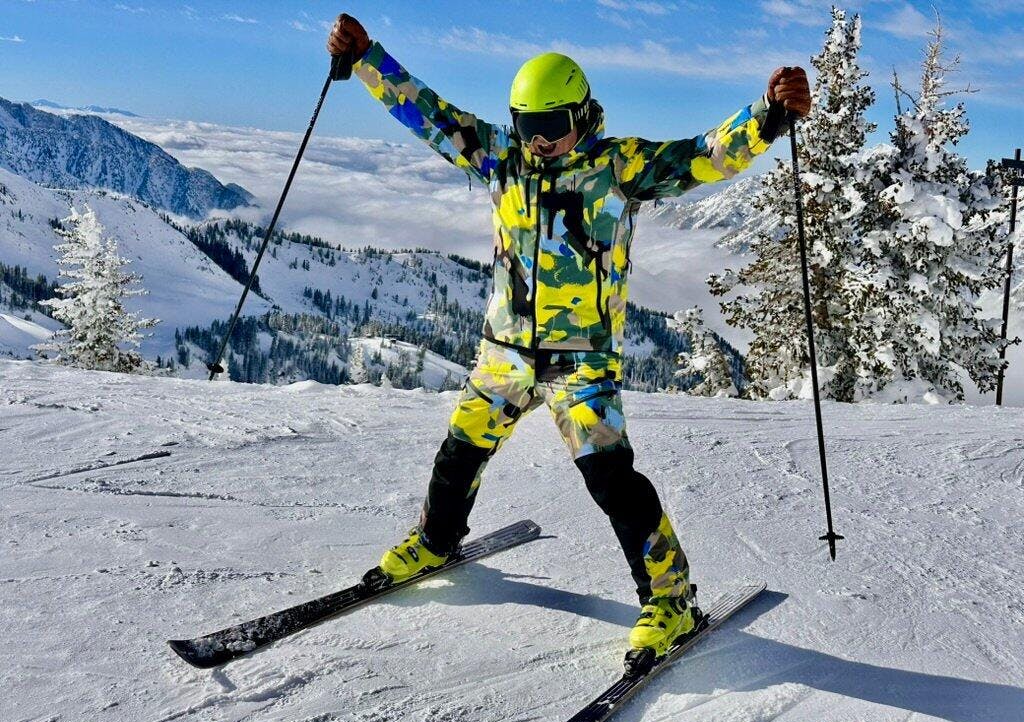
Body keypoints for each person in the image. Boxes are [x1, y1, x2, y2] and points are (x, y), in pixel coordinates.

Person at [327, 13, 810, 661]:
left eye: (553, 125)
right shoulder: (500, 158)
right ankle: (437, 543)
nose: (540, 140)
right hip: (505, 351)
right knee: (460, 451)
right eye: (528, 125)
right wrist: (366, 59)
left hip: (580, 361)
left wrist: (769, 117)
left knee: (611, 480)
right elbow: (428, 113)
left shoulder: (618, 167)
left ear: (582, 115)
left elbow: (704, 155)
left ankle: (670, 601)